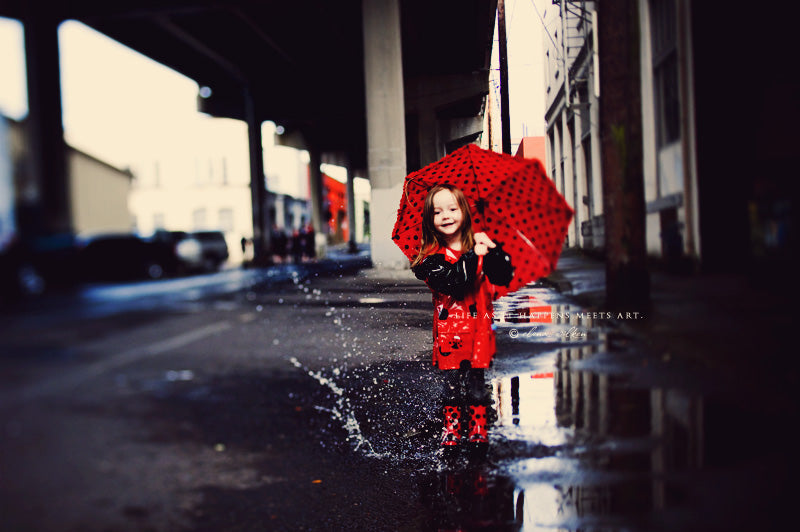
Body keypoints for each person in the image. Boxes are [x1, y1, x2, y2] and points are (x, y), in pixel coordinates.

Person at [410, 184, 514, 452]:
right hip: (450, 335)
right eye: (437, 211)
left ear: (465, 212)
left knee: (477, 383)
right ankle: (452, 428)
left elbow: (504, 276)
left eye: (453, 209)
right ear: (429, 220)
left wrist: (493, 250)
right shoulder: (430, 260)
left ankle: (478, 427)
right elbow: (455, 283)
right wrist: (473, 255)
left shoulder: (480, 247)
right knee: (451, 385)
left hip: (479, 329)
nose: (446, 215)